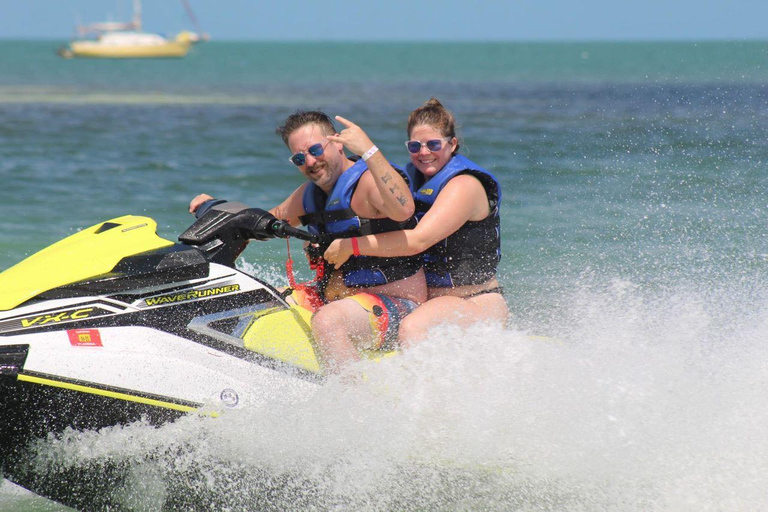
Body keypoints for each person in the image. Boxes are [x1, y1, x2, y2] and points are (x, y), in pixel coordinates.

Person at [190, 111, 427, 373]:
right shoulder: (309, 195)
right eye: (300, 158)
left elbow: (404, 210)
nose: (311, 162)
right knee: (258, 301)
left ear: (338, 144)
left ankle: (354, 402)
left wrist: (369, 150)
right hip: (336, 301)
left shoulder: (369, 183)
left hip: (399, 305)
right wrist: (218, 209)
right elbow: (265, 222)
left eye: (316, 149)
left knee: (328, 322)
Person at [324, 98, 509, 345]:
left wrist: (351, 246)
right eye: (415, 146)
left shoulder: (465, 185)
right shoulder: (412, 181)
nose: (423, 153)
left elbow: (418, 240)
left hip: (475, 301)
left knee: (413, 329)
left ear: (452, 144)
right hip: (426, 303)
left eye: (433, 144)